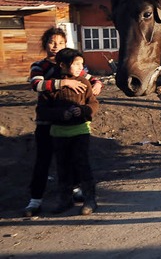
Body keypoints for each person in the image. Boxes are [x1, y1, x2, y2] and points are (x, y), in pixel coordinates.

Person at [23, 27, 103, 217]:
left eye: (60, 42)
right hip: (48, 123)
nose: (55, 46)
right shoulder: (40, 66)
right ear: (45, 44)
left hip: (74, 125)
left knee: (75, 161)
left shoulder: (74, 66)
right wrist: (63, 83)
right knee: (45, 161)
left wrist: (98, 83)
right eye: (52, 42)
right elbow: (36, 85)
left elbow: (89, 81)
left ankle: (76, 194)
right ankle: (35, 200)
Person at [36, 48, 100, 215]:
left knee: (82, 165)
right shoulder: (52, 85)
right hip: (59, 133)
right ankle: (65, 200)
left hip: (80, 131)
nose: (81, 67)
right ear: (63, 65)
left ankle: (90, 200)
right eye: (76, 64)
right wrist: (60, 114)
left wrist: (85, 110)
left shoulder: (84, 83)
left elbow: (94, 103)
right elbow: (42, 110)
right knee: (62, 167)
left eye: (82, 64)